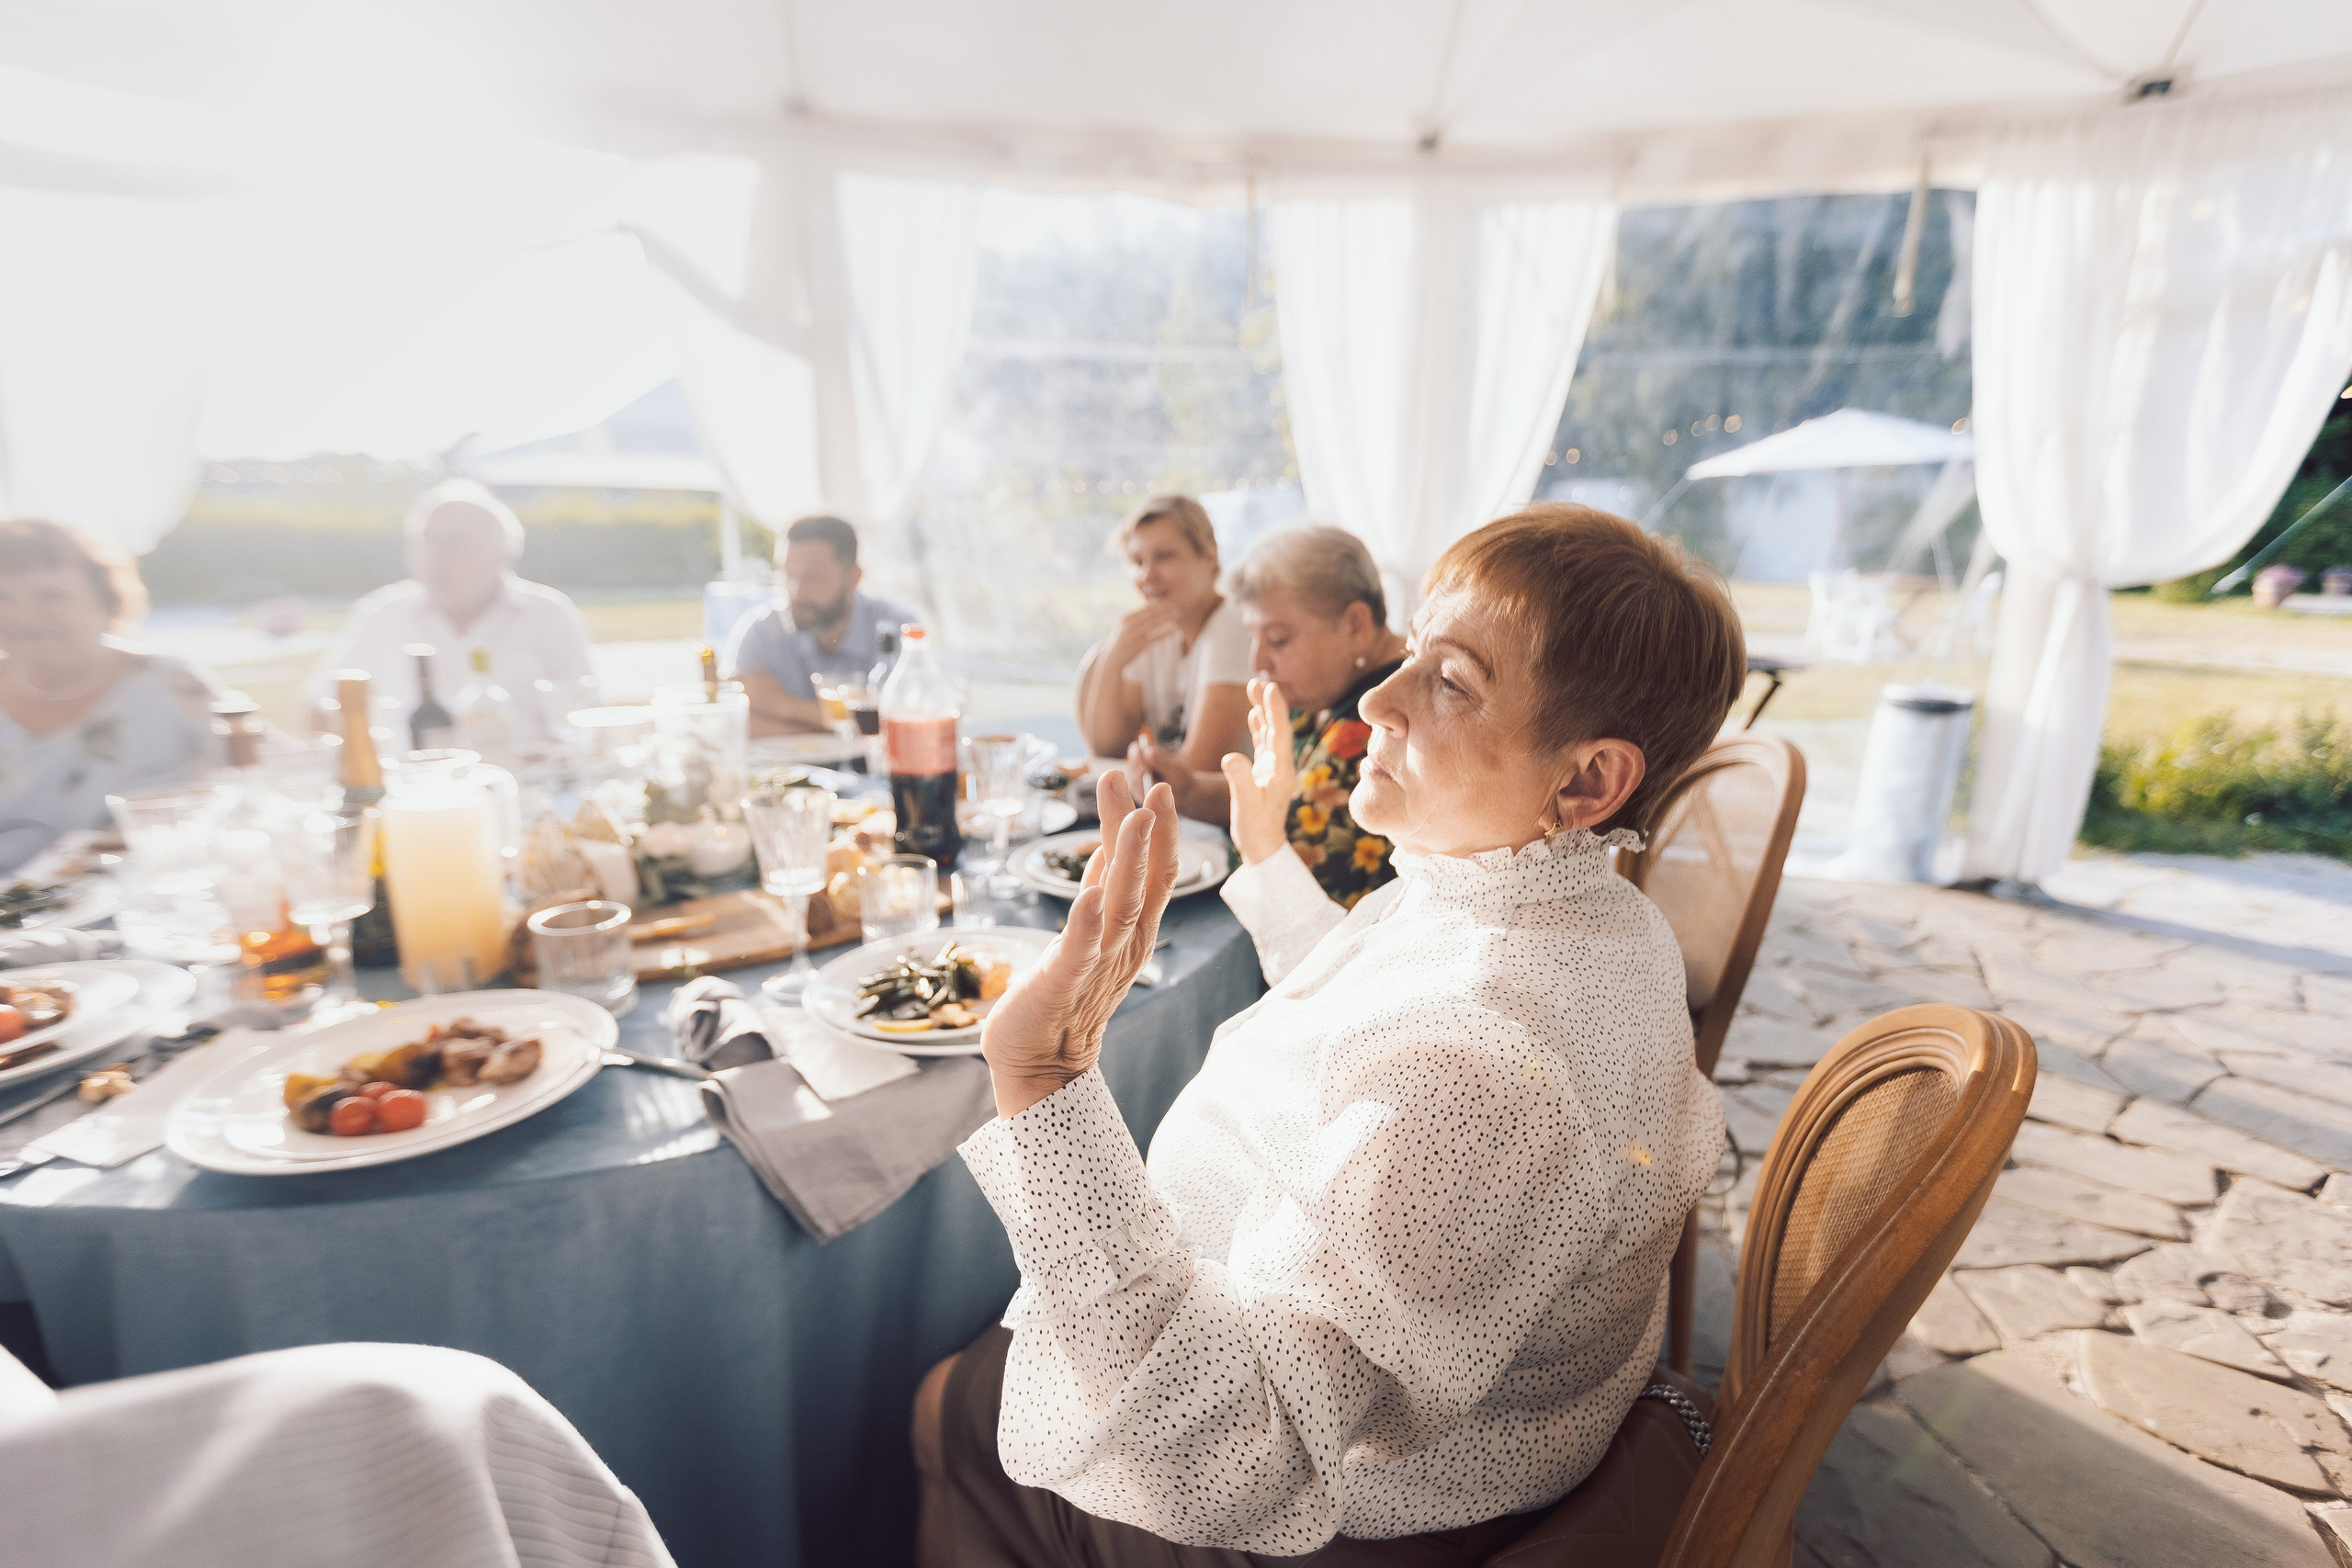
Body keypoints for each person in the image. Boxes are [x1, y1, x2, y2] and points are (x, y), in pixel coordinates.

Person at [913, 503, 1746, 1566]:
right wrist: (1265, 854)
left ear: (1586, 781)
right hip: (1457, 1427)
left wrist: (1043, 1076)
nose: (1377, 696)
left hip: (1360, 1517)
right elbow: (1377, 1017)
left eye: (1450, 681)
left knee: (951, 1407)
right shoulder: (1563, 904)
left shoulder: (1486, 1067)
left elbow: (1223, 1455)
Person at [1134, 525, 1406, 900]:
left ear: (1355, 625)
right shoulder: (1327, 690)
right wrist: (1192, 791)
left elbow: (1283, 866)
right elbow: (1282, 802)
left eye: (1278, 639)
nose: (1257, 660)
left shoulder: (1382, 725)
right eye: (1254, 637)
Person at [0, 519, 220, 873]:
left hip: (148, 906)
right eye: (3, 597)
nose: (24, 615)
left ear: (106, 601)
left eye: (50, 595)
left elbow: (269, 784)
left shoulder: (172, 683)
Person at [311, 480, 596, 745]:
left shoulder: (548, 614)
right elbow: (323, 706)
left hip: (530, 787)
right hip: (417, 791)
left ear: (502, 553)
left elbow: (586, 713)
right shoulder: (383, 615)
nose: (435, 556)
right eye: (425, 541)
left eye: (455, 543)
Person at [1074, 494, 1250, 775]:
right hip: (1177, 807)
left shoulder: (1233, 625)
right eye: (1136, 561)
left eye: (1164, 556)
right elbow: (1107, 749)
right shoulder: (1159, 633)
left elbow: (1200, 770)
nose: (1146, 575)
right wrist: (1113, 659)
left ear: (1209, 555)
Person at [724, 514, 920, 738]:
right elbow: (734, 726)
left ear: (854, 577)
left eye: (812, 577)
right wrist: (846, 728)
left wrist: (781, 706)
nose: (796, 592)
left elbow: (909, 728)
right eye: (788, 575)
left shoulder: (898, 629)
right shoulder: (762, 633)